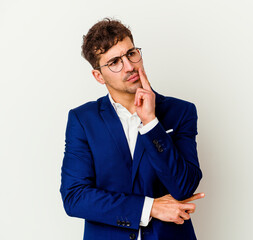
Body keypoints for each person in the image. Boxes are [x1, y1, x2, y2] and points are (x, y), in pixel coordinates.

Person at [60, 18, 204, 240]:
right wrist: (149, 207)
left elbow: (184, 187)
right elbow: (75, 197)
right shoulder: (82, 120)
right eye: (114, 62)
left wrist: (151, 123)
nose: (129, 66)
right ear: (98, 76)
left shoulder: (181, 112)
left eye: (131, 54)